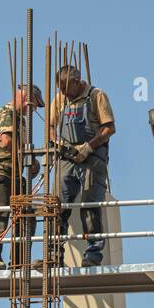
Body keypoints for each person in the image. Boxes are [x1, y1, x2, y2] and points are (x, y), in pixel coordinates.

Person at [50, 65, 116, 268]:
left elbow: (109, 128)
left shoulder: (96, 96)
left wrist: (88, 147)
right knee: (57, 206)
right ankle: (54, 254)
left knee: (89, 207)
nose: (63, 94)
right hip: (67, 159)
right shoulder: (61, 99)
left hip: (91, 158)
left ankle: (93, 254)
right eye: (60, 89)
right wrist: (59, 144)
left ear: (78, 83)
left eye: (66, 89)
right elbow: (51, 127)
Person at [0, 84, 44, 269]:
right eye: (35, 104)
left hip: (12, 174)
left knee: (27, 214)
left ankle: (19, 260)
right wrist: (27, 158)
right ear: (26, 98)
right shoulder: (8, 113)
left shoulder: (20, 120)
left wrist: (30, 161)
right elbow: (7, 142)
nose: (35, 109)